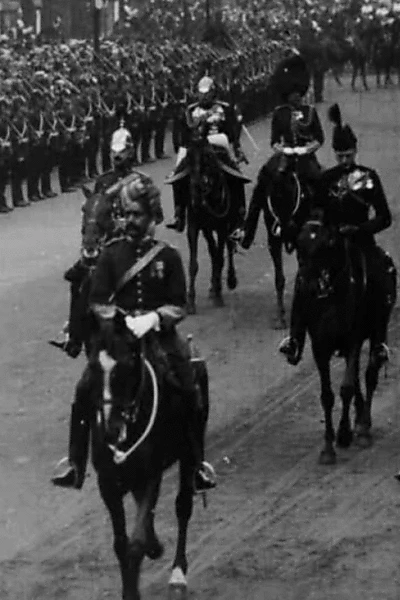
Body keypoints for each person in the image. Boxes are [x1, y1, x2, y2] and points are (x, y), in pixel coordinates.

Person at [51, 173, 216, 493]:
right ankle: (75, 463)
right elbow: (98, 299)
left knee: (189, 383)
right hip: (118, 338)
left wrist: (154, 318)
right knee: (85, 387)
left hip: (160, 337)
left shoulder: (167, 256)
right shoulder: (112, 255)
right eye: (126, 214)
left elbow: (178, 305)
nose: (130, 221)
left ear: (152, 216)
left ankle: (196, 464)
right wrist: (119, 319)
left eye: (136, 214)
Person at [279, 103, 394, 366]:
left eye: (348, 156)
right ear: (334, 154)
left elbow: (384, 217)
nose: (344, 161)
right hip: (330, 245)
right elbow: (315, 211)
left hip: (361, 242)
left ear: (355, 152)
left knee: (382, 275)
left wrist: (361, 229)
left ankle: (378, 343)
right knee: (303, 280)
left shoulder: (369, 177)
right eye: (340, 156)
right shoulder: (325, 178)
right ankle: (295, 339)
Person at [51, 121, 141, 359]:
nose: (117, 158)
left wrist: (130, 224)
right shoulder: (102, 182)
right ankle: (74, 336)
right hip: (108, 244)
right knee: (78, 278)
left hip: (133, 243)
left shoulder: (141, 182)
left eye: (122, 153)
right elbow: (94, 212)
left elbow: (155, 219)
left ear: (130, 153)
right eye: (114, 153)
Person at [241, 52, 324, 250]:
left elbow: (319, 138)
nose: (296, 96)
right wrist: (284, 149)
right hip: (285, 155)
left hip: (306, 157)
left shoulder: (310, 112)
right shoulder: (280, 113)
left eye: (298, 93)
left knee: (321, 182)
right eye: (292, 93)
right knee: (262, 182)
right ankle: (247, 230)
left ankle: (325, 223)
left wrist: (305, 149)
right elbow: (273, 141)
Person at [165, 75, 249, 236]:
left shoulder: (223, 108)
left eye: (207, 93)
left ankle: (239, 215)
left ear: (213, 93)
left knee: (236, 174)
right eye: (201, 93)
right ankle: (179, 214)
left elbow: (231, 131)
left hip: (217, 142)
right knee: (178, 176)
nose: (204, 96)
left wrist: (235, 146)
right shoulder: (190, 110)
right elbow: (184, 130)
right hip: (195, 145)